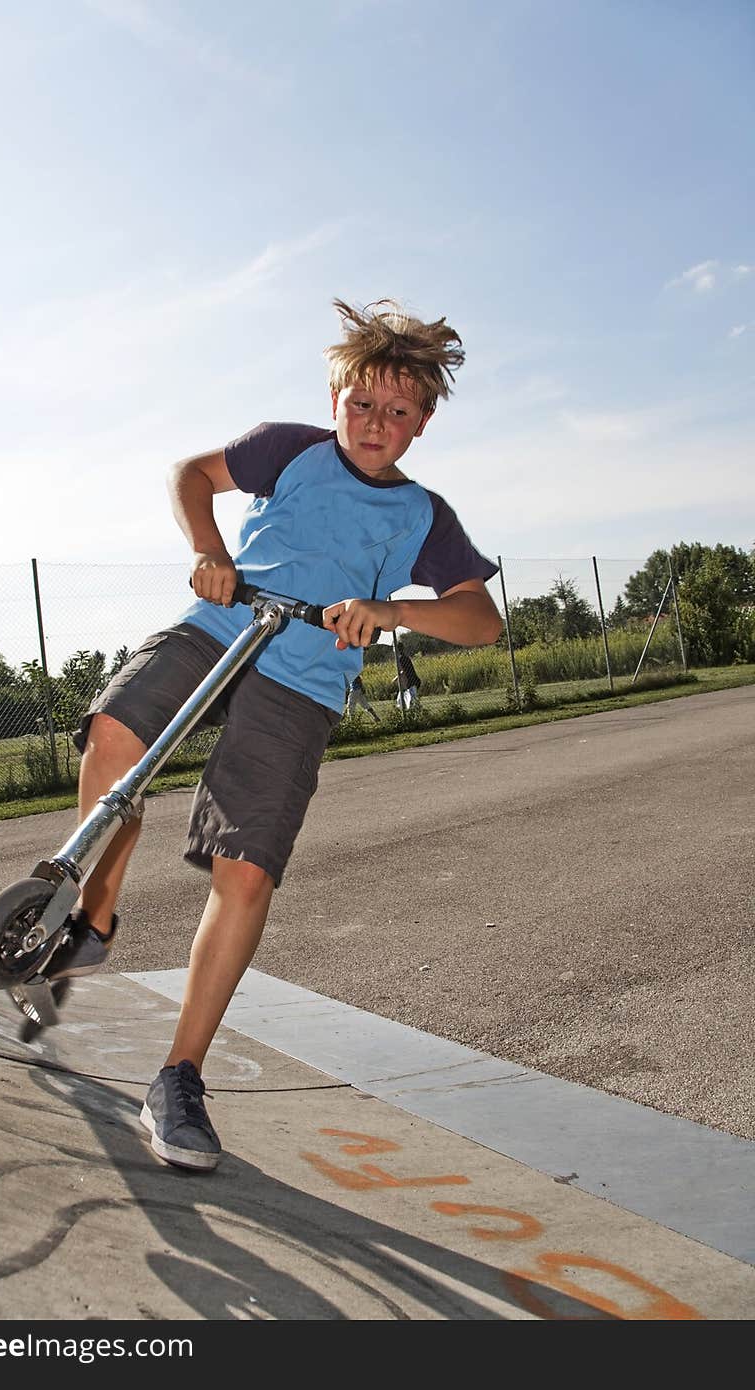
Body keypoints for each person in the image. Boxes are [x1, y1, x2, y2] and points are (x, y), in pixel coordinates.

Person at [43, 297, 503, 1172]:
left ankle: (178, 1078)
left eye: (397, 413)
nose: (375, 425)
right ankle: (95, 911)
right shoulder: (286, 449)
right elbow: (190, 473)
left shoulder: (422, 516)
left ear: (422, 424)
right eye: (361, 405)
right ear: (336, 402)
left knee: (245, 870)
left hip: (302, 678)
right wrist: (210, 549)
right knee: (113, 735)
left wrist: (390, 610)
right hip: (221, 624)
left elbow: (479, 619)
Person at [393, 641, 421, 711]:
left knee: (412, 702)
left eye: (394, 647)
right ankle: (405, 715)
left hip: (411, 682)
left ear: (396, 649)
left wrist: (396, 678)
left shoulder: (401, 658)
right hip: (406, 684)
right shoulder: (402, 658)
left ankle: (415, 715)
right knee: (401, 702)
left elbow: (403, 672)